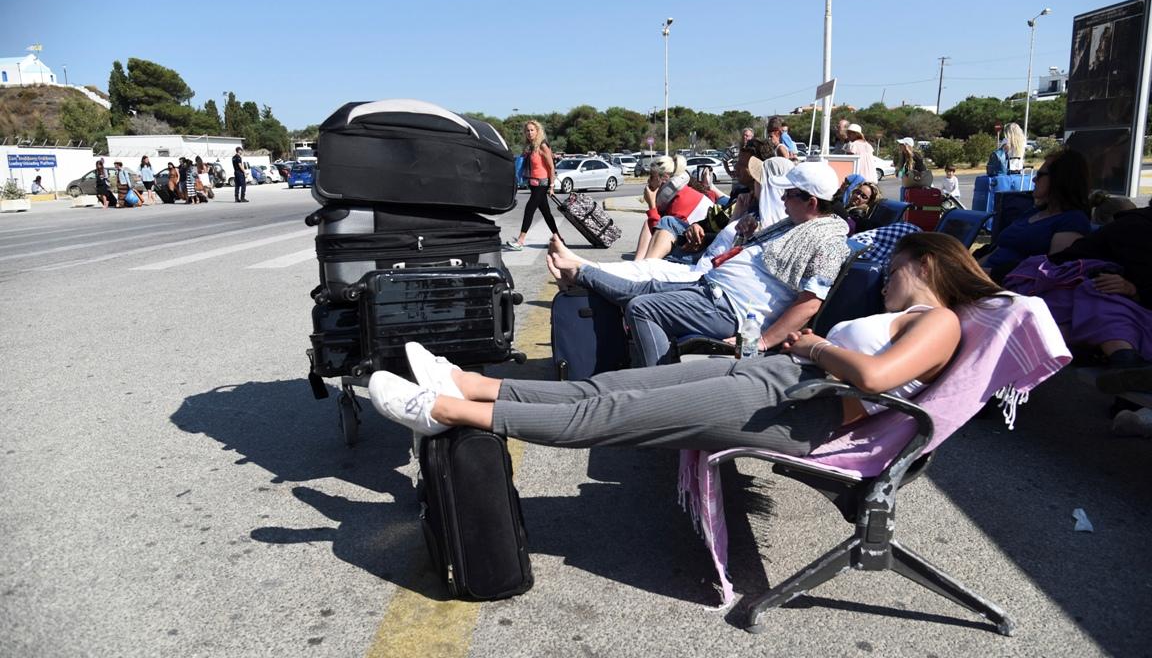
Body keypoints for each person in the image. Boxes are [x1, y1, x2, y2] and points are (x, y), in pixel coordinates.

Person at [368, 233, 1005, 458]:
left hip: (797, 407)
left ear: (924, 266)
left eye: (894, 268)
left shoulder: (941, 320)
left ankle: (444, 411)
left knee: (611, 415)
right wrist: (799, 355)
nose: (887, 279)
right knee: (606, 389)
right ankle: (469, 383)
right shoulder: (922, 314)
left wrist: (811, 349)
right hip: (779, 384)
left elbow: (872, 378)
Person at [547, 162, 851, 367]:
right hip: (716, 290)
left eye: (789, 193)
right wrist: (744, 239)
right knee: (649, 286)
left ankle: (659, 387)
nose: (782, 197)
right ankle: (580, 271)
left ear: (812, 202)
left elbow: (810, 303)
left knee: (642, 306)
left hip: (732, 307)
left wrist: (761, 342)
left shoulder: (827, 242)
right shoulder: (793, 225)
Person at [1004, 204, 1152, 394]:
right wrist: (1134, 289)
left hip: (1087, 305)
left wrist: (1134, 289)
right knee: (1100, 292)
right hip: (1072, 293)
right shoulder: (1137, 228)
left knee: (1096, 299)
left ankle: (1125, 363)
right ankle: (1125, 361)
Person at [979, 148, 1091, 282]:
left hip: (1008, 286)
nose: (1033, 179)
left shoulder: (1072, 221)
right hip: (982, 278)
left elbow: (1052, 271)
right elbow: (998, 250)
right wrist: (970, 269)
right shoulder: (1033, 212)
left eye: (1040, 175)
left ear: (1060, 179)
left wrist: (987, 274)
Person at [504, 120, 558, 251]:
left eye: (532, 130)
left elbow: (551, 167)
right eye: (527, 130)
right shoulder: (530, 147)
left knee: (529, 209)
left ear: (538, 131)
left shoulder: (543, 145)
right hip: (533, 183)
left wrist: (551, 186)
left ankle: (520, 241)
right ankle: (559, 239)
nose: (529, 133)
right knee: (546, 213)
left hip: (542, 183)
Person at [632, 154, 689, 257]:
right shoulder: (674, 195)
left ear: (665, 178)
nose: (649, 181)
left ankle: (640, 265)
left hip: (689, 247)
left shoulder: (680, 198)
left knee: (648, 224)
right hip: (681, 241)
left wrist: (652, 205)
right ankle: (638, 264)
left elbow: (660, 232)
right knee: (648, 223)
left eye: (652, 176)